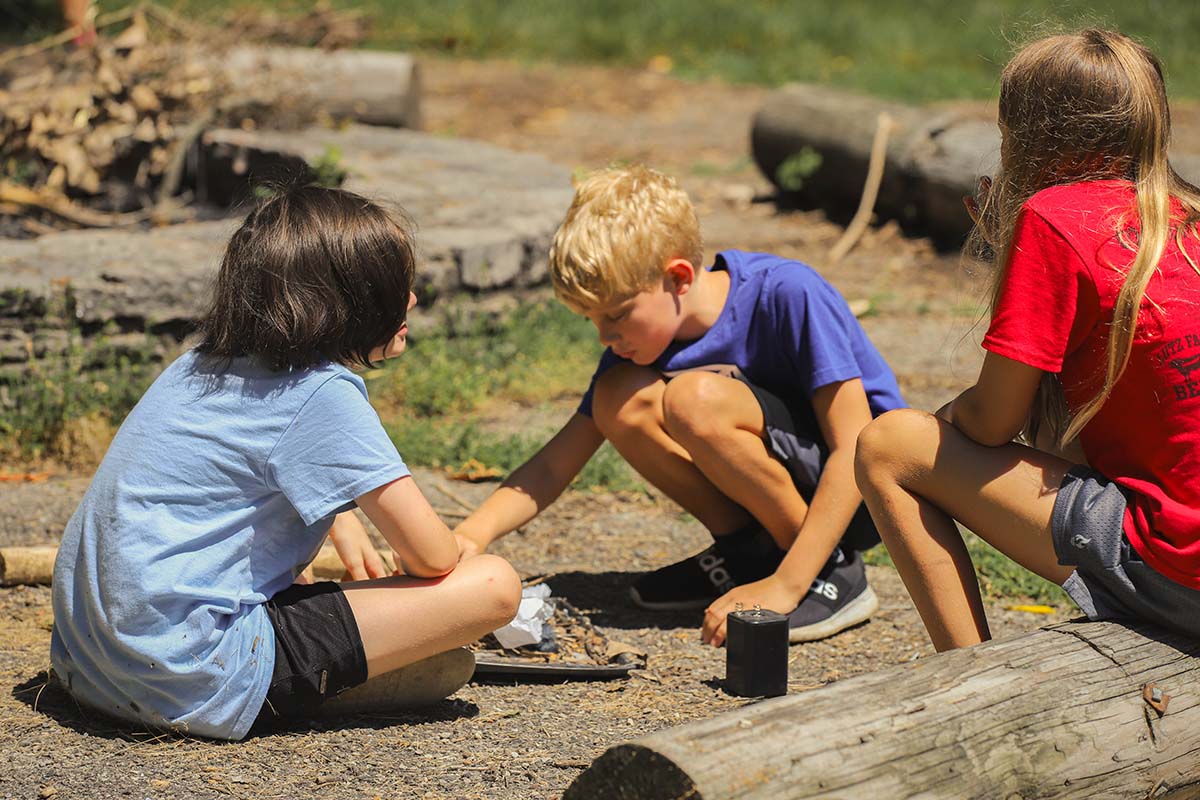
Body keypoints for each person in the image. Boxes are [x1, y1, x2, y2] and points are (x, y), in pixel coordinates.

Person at [50, 185, 522, 740]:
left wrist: (341, 519)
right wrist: (450, 556)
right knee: (494, 583)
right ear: (351, 303)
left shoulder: (195, 366)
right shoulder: (322, 394)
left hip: (90, 665)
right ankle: (326, 682)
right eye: (397, 286)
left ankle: (346, 668)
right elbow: (433, 558)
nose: (412, 300)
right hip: (192, 676)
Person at [454, 165, 905, 646]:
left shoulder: (787, 292)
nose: (606, 336)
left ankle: (828, 571)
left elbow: (854, 442)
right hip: (795, 487)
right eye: (592, 320)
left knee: (694, 398)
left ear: (679, 277)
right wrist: (470, 536)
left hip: (859, 491)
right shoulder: (643, 344)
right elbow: (552, 465)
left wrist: (787, 586)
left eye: (618, 315)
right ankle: (749, 554)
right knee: (618, 398)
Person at [854, 29, 1200, 652]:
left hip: (1181, 571)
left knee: (891, 447)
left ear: (1027, 132)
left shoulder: (1055, 220)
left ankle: (972, 679)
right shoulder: (1188, 220)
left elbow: (993, 424)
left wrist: (951, 417)